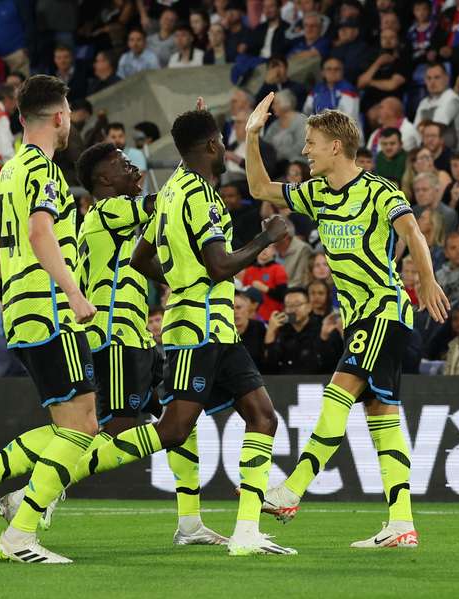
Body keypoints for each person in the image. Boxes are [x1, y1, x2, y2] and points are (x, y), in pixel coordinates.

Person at [72, 106, 295, 556]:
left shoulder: (173, 189)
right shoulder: (201, 198)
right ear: (212, 146)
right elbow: (219, 264)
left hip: (216, 330)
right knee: (172, 430)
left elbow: (140, 257)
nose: (225, 150)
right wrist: (265, 238)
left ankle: (246, 532)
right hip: (195, 331)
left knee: (263, 417)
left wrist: (178, 280)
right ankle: (60, 474)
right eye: (222, 143)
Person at [245, 94, 450, 547]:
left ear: (336, 146)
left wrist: (428, 283)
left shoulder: (380, 191)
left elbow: (412, 231)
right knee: (383, 417)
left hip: (383, 310)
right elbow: (260, 189)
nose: (305, 151)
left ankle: (292, 489)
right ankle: (401, 523)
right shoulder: (317, 194)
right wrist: (251, 135)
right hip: (358, 319)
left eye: (312, 142)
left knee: (338, 394)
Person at [12, 141, 225, 545]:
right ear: (104, 179)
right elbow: (169, 199)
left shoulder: (119, 216)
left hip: (136, 337)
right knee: (116, 433)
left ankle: (190, 522)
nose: (131, 166)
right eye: (121, 163)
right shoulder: (106, 212)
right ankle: (34, 495)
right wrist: (194, 150)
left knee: (182, 419)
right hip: (112, 338)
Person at [0, 75, 101, 564]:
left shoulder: (9, 172)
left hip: (21, 310)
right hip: (52, 311)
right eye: (69, 113)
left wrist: (22, 284)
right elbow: (38, 234)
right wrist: (72, 292)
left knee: (68, 424)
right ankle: (19, 533)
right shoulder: (45, 173)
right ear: (58, 117)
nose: (71, 120)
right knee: (83, 428)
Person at [263, 287, 342, 374]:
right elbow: (269, 368)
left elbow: (329, 365)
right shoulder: (281, 329)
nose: (292, 309)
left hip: (316, 383)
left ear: (309, 307)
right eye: (288, 305)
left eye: (297, 304)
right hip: (285, 383)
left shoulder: (323, 326)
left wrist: (324, 338)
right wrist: (270, 332)